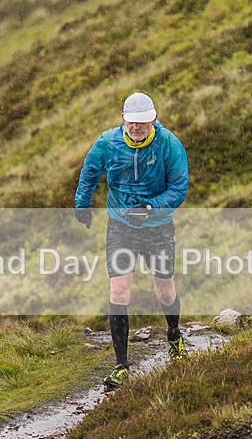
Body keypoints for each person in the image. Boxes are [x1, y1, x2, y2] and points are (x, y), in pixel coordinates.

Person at [74, 92, 189, 390]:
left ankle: (174, 335)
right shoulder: (108, 142)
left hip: (158, 228)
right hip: (121, 227)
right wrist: (82, 204)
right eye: (132, 122)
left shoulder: (169, 145)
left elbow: (179, 188)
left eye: (142, 122)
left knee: (164, 291)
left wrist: (150, 208)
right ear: (123, 119)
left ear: (152, 119)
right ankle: (121, 366)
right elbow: (89, 172)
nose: (137, 127)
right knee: (120, 290)